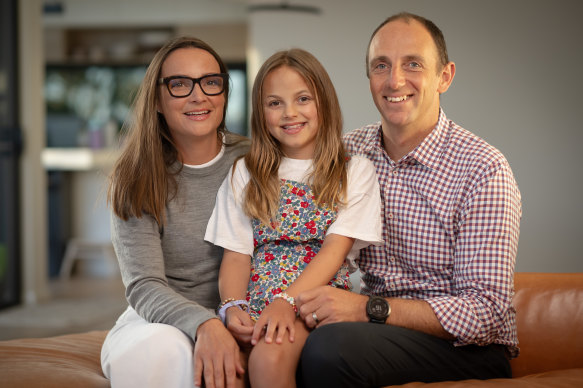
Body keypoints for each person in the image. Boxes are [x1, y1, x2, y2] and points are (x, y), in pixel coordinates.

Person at [296, 12, 522, 387]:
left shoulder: (483, 169)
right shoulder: (348, 153)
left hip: (465, 350)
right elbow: (280, 178)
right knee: (278, 339)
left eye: (412, 64)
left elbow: (486, 313)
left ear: (444, 77)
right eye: (381, 65)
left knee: (327, 348)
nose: (394, 80)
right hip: (372, 334)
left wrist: (369, 309)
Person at [204, 48, 383, 388]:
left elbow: (334, 249)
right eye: (275, 103)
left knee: (269, 358)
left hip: (314, 300)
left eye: (303, 99)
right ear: (261, 112)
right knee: (225, 370)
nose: (289, 113)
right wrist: (232, 306)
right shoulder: (246, 172)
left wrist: (286, 302)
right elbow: (237, 253)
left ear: (324, 104)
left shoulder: (353, 171)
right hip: (256, 299)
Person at [100, 36, 250, 388]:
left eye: (211, 82)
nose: (199, 96)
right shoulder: (136, 176)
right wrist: (205, 324)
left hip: (244, 317)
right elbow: (144, 285)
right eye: (180, 84)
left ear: (224, 93)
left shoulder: (255, 159)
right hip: (156, 324)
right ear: (157, 99)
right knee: (166, 350)